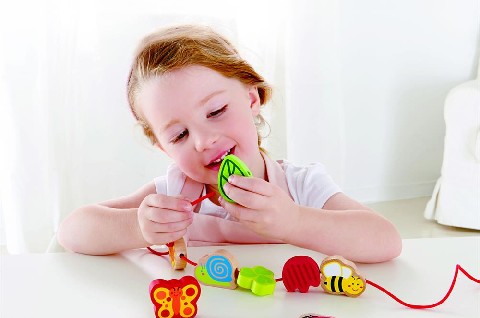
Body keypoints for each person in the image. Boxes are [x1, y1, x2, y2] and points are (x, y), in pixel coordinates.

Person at [58, 24, 402, 263]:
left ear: (252, 99)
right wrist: (137, 227)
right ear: (164, 148)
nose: (204, 140)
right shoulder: (176, 193)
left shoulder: (302, 186)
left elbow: (386, 240)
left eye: (216, 111)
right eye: (179, 135)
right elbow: (72, 231)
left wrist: (295, 221)